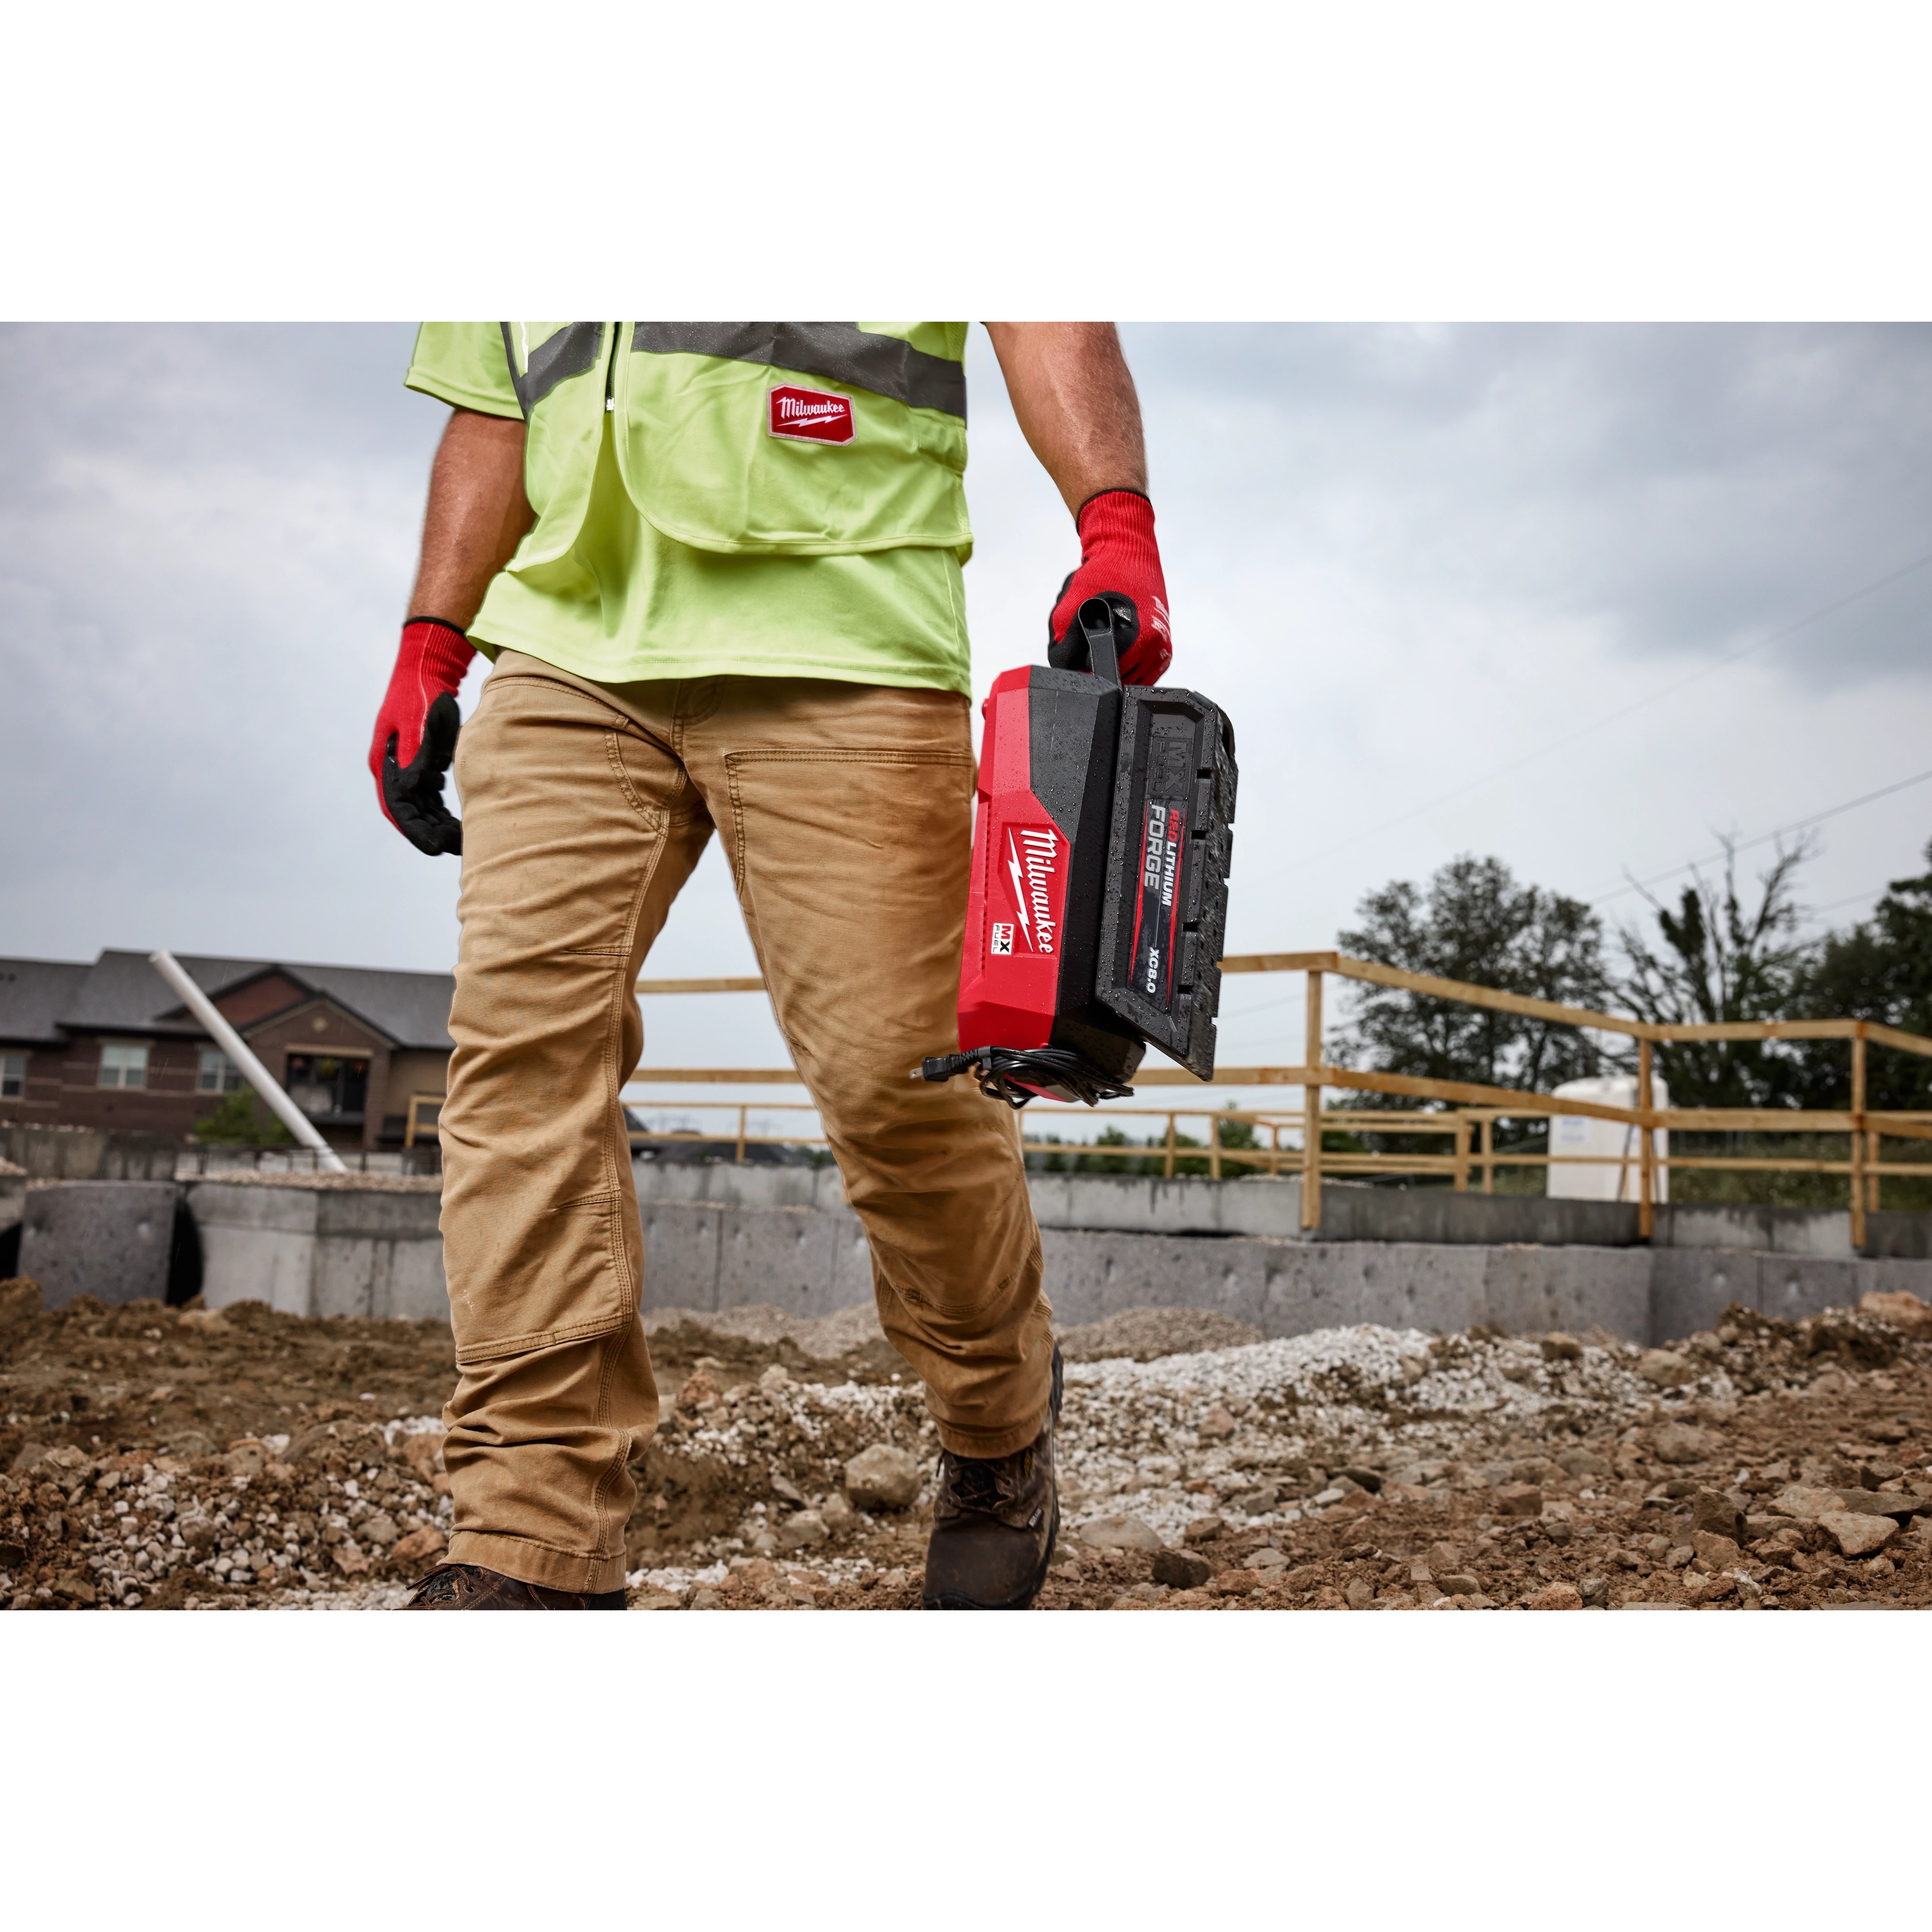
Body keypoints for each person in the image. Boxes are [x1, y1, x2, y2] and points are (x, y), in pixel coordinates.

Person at [370, 321, 1174, 1612]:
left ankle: (997, 1412)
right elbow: (495, 401)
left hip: (841, 628)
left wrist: (1115, 522)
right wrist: (433, 638)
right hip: (570, 651)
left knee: (892, 1086)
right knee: (518, 1071)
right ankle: (532, 1541)